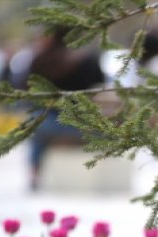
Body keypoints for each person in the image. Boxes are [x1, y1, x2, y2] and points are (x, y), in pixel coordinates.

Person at [25, 26, 105, 190]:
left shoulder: (41, 59)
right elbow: (101, 86)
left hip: (50, 120)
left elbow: (27, 89)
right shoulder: (88, 60)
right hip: (84, 121)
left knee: (37, 127)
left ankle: (34, 173)